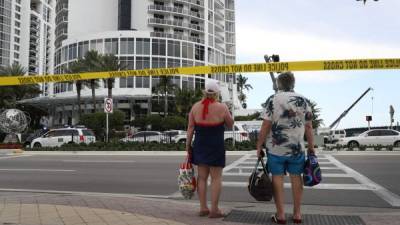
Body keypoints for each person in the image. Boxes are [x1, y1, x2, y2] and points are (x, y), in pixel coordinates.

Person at [256, 71, 315, 224]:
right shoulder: (303, 100)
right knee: (296, 178)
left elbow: (266, 124)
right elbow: (308, 126)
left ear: (279, 84)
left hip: (276, 149)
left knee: (277, 179)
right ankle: (297, 214)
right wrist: (311, 147)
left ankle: (280, 215)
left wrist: (258, 145)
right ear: (293, 83)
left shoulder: (273, 99)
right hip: (296, 148)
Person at [185, 79, 234, 218]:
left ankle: (203, 207)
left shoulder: (195, 107)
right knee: (216, 178)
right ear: (217, 93)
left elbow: (190, 128)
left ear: (205, 92)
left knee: (201, 177)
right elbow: (230, 124)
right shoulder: (222, 107)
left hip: (200, 144)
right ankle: (214, 209)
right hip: (216, 145)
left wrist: (188, 145)